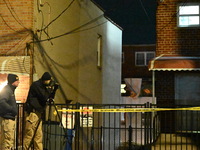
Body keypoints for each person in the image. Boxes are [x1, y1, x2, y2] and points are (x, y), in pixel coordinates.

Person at [23, 72, 53, 150]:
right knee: (29, 135)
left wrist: (52, 90)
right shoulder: (37, 85)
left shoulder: (42, 86)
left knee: (38, 136)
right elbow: (44, 97)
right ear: (46, 80)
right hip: (33, 114)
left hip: (38, 113)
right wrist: (49, 88)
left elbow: (48, 98)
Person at [0, 74, 20, 150]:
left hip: (9, 119)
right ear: (12, 82)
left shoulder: (10, 90)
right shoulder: (7, 90)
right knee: (7, 142)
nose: (19, 82)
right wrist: (12, 109)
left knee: (8, 141)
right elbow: (2, 102)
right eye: (17, 80)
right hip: (7, 120)